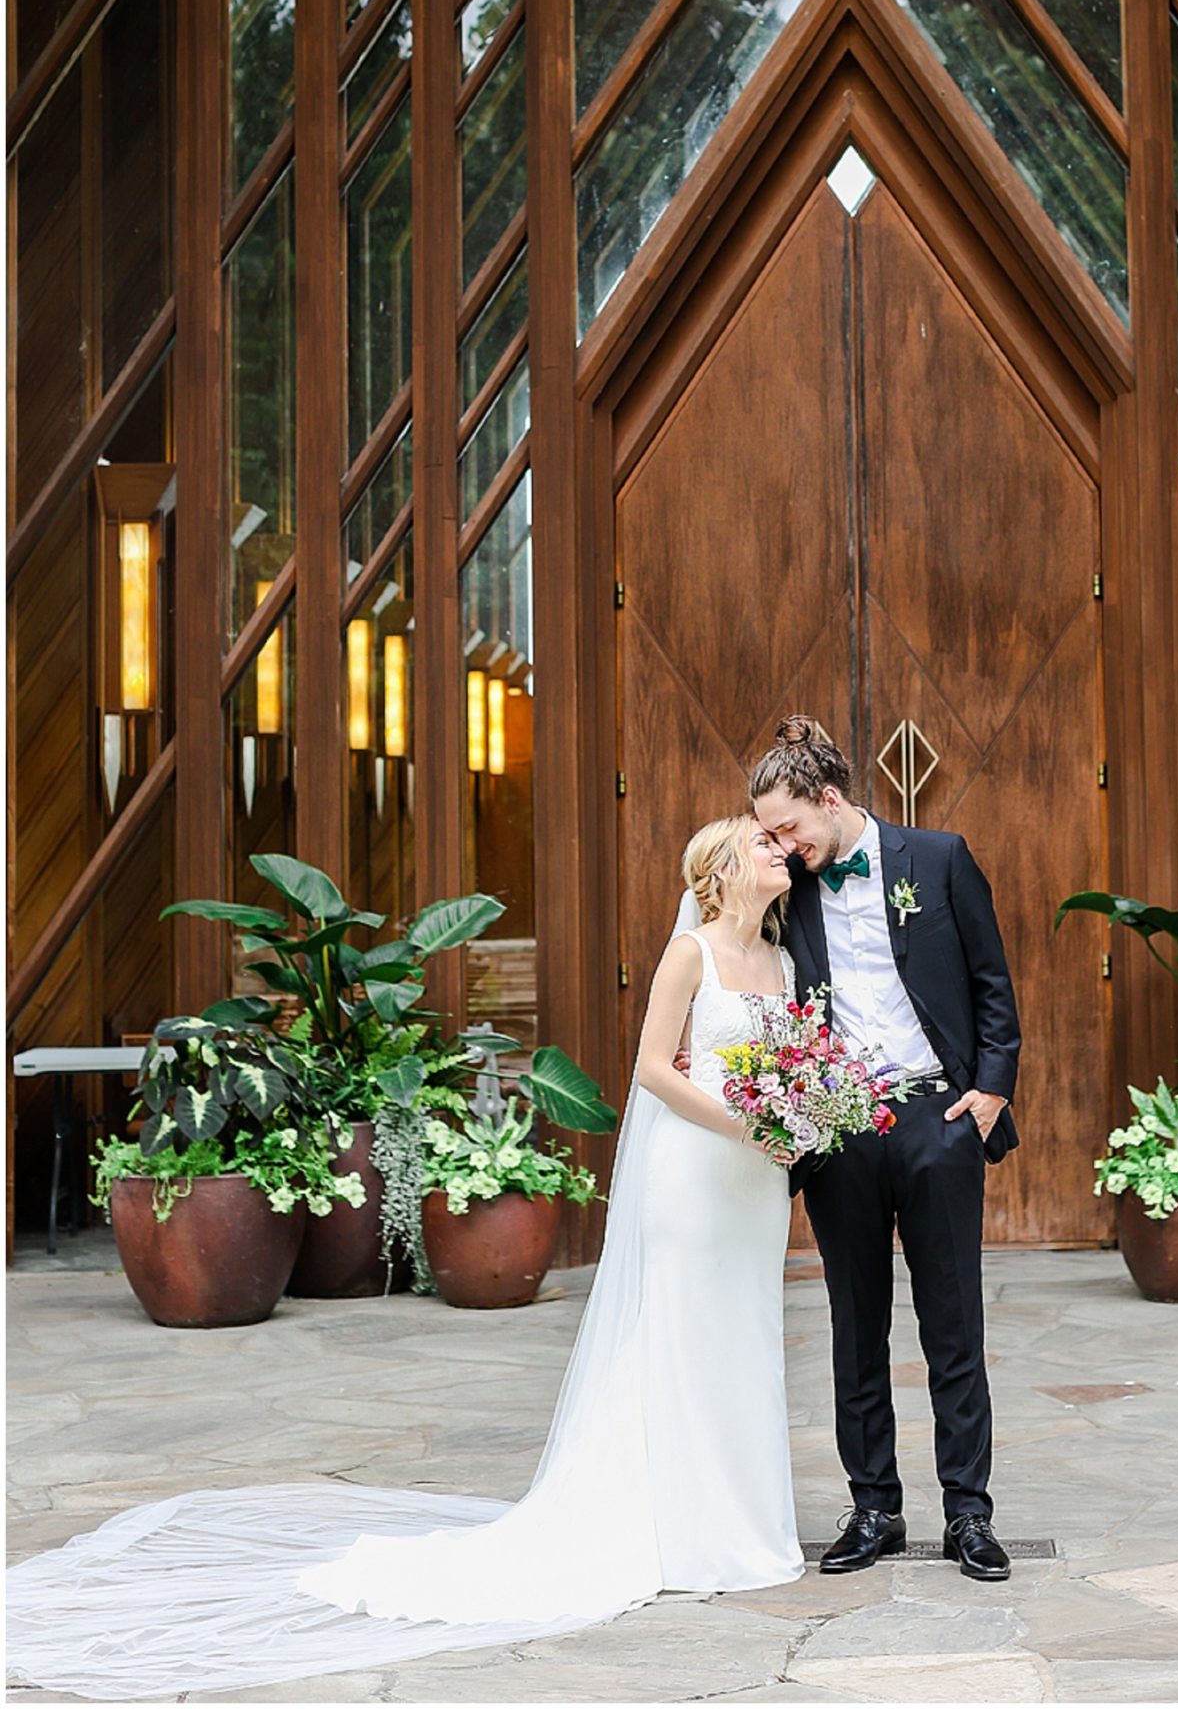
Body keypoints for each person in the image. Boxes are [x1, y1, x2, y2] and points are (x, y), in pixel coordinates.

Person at [5, 817, 806, 1702]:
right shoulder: (689, 952)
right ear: (724, 868)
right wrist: (745, 1124)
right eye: (765, 844)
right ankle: (680, 1527)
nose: (781, 852)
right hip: (694, 1174)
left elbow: (786, 1064)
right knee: (683, 1339)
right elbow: (654, 1070)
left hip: (755, 1185)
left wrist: (800, 1121)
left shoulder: (783, 961)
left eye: (782, 844)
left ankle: (740, 1522)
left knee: (742, 1337)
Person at [750, 714, 1021, 1583]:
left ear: (830, 799)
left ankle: (969, 1515)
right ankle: (874, 1510)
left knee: (953, 1323)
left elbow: (990, 980)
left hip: (937, 1118)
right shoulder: (786, 889)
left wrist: (990, 1090)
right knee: (853, 1323)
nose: (783, 846)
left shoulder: (939, 858)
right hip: (838, 1127)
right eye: (770, 834)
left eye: (789, 827)